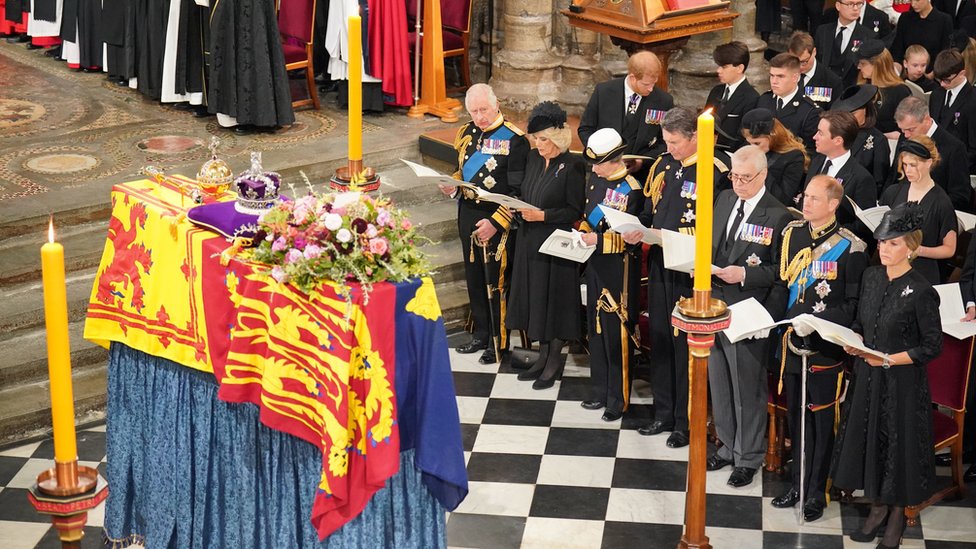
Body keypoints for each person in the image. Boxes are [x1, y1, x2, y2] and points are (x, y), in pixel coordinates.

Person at [833, 202, 942, 549]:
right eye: (881, 242)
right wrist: (854, 341)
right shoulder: (871, 276)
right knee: (871, 444)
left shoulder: (922, 290)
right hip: (869, 375)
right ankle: (877, 506)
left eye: (893, 243)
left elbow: (931, 346)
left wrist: (890, 360)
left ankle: (896, 513)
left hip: (902, 383)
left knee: (898, 448)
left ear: (910, 247)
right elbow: (860, 320)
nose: (883, 249)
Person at [624, 107, 730, 448]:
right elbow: (648, 210)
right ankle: (663, 413)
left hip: (689, 269)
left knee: (685, 344)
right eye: (666, 141)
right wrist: (638, 229)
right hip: (659, 262)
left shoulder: (714, 171)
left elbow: (716, 227)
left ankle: (686, 421)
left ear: (695, 137)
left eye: (675, 142)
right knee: (659, 336)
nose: (669, 148)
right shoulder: (662, 164)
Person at [771, 174, 867, 521]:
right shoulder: (792, 234)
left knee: (821, 421)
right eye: (805, 196)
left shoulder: (851, 246)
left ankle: (817, 491)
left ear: (833, 204)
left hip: (824, 348)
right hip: (792, 342)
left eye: (813, 198)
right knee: (797, 419)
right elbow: (783, 287)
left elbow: (853, 305)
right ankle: (798, 483)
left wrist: (817, 322)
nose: (805, 202)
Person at [706, 146, 792, 489]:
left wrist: (742, 274)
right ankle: (727, 445)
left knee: (746, 389)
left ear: (763, 175)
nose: (738, 183)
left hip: (749, 310)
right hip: (715, 304)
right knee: (720, 382)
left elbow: (780, 271)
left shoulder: (778, 215)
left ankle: (749, 456)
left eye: (745, 178)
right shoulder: (725, 199)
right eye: (734, 176)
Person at [445, 84, 529, 364]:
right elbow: (463, 170)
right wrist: (452, 187)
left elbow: (518, 192)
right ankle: (480, 333)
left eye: (484, 110)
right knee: (474, 278)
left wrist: (496, 222)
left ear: (496, 105)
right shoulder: (466, 133)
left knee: (495, 281)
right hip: (467, 213)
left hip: (496, 218)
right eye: (474, 111)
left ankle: (498, 341)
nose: (479, 116)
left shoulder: (515, 140)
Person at [507, 101, 586, 389]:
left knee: (554, 303)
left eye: (543, 139)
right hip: (529, 240)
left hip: (556, 243)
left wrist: (543, 215)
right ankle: (541, 357)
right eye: (535, 139)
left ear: (558, 137)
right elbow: (525, 189)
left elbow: (574, 210)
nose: (538, 145)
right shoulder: (532, 158)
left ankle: (554, 360)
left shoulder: (573, 165)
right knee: (535, 301)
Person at [577, 128, 645, 421]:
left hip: (619, 268)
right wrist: (581, 233)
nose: (594, 169)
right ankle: (601, 389)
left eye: (599, 163)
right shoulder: (596, 180)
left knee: (616, 332)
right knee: (595, 327)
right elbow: (587, 216)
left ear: (615, 160)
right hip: (593, 263)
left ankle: (619, 399)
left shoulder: (632, 189)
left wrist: (599, 241)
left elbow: (635, 237)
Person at [578, 51, 674, 182]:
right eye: (646, 84)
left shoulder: (664, 101)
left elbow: (665, 142)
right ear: (632, 77)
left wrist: (641, 162)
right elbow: (585, 129)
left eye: (654, 83)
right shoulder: (604, 92)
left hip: (640, 177)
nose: (651, 89)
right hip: (604, 174)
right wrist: (601, 156)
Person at [880, 137, 958, 283]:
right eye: (905, 164)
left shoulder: (941, 202)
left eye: (913, 165)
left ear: (929, 163)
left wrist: (919, 250)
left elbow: (949, 249)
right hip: (891, 268)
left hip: (923, 272)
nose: (908, 170)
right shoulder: (893, 192)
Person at [806, 110, 878, 238]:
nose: (814, 137)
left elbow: (863, 226)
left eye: (821, 133)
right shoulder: (817, 162)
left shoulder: (861, 178)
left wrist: (826, 231)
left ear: (838, 140)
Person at [893, 95, 972, 209]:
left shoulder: (954, 148)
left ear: (926, 119)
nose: (906, 135)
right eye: (902, 130)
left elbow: (960, 196)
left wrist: (926, 207)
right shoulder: (904, 137)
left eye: (911, 129)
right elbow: (894, 176)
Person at [741, 108, 810, 207]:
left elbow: (783, 199)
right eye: (749, 143)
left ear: (772, 136)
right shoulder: (750, 148)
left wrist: (760, 167)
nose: (752, 148)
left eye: (757, 143)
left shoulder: (794, 157)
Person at [831, 84, 892, 192]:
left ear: (866, 110)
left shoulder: (878, 140)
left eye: (854, 113)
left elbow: (879, 180)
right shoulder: (836, 134)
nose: (849, 117)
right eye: (846, 113)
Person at [756, 53, 822, 151]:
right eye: (772, 76)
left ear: (795, 77)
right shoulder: (764, 100)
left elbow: (811, 151)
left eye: (780, 76)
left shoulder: (810, 111)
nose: (774, 81)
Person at [705, 41, 760, 151]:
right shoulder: (716, 91)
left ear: (739, 68)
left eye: (724, 67)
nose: (718, 71)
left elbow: (746, 137)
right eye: (719, 66)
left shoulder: (751, 97)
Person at [853, 39, 913, 136]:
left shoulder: (900, 91)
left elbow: (908, 126)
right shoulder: (862, 86)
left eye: (863, 64)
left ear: (878, 65)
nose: (859, 67)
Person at [930, 48, 976, 174]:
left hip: (959, 169)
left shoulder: (973, 100)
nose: (942, 84)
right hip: (934, 163)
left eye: (947, 80)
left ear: (962, 73)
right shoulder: (936, 94)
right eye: (939, 80)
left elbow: (973, 147)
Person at [814, 0, 875, 90]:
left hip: (852, 93)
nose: (855, 8)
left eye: (859, 4)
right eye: (850, 4)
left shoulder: (868, 36)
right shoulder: (823, 31)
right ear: (838, 6)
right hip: (823, 90)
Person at [890, 0, 954, 73]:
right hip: (906, 73)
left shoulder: (944, 20)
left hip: (934, 74)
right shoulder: (905, 18)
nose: (913, 4)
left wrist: (933, 74)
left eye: (917, 0)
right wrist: (897, 72)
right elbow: (897, 50)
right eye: (911, 0)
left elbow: (945, 52)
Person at [789, 31, 845, 110]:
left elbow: (834, 115)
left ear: (814, 52)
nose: (800, 67)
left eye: (804, 61)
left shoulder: (831, 81)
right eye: (795, 61)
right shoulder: (783, 73)